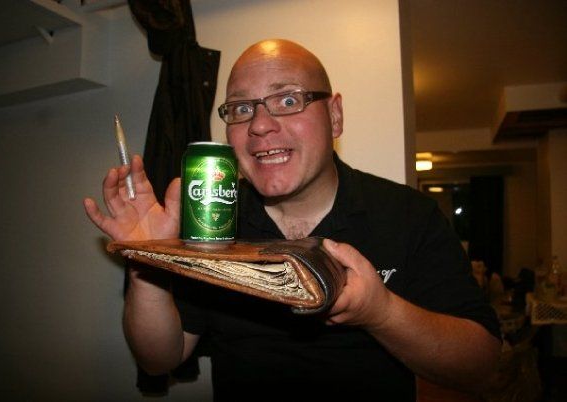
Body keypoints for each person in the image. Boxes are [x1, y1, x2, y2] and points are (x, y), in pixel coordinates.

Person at [84, 39, 501, 401]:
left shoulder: (408, 214)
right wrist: (148, 260)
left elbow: (480, 368)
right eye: (242, 108)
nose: (260, 125)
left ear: (334, 116)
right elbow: (159, 360)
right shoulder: (213, 224)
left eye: (287, 100)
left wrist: (381, 312)